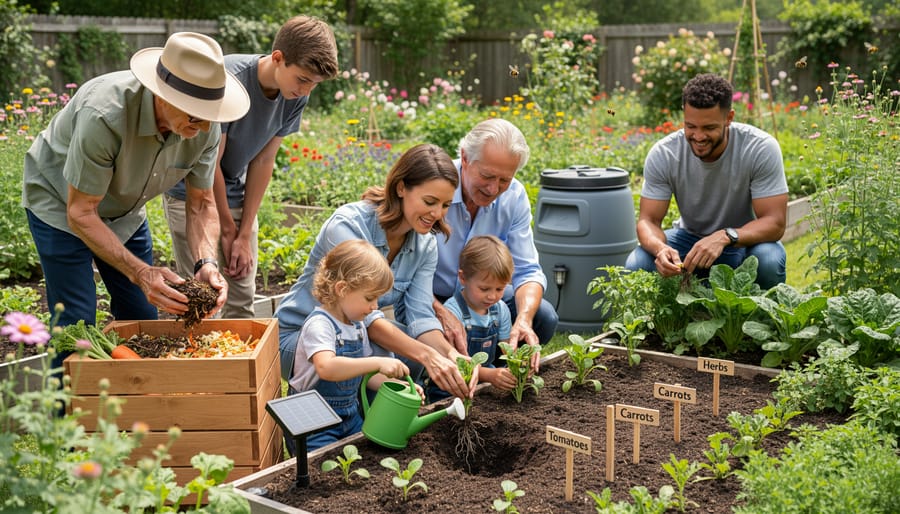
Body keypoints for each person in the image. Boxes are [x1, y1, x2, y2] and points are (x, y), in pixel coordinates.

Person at [22, 32, 250, 329]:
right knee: (76, 322)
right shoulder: (105, 115)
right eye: (196, 117)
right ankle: (70, 376)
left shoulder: (204, 127)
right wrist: (141, 273)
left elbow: (201, 204)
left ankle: (132, 375)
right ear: (162, 94)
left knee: (142, 315)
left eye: (210, 115)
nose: (206, 126)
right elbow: (80, 212)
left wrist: (205, 262)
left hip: (125, 211)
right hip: (61, 203)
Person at [164, 16, 339, 318]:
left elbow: (263, 160)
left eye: (315, 84)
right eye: (302, 79)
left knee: (242, 298)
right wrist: (227, 229)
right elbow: (210, 162)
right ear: (278, 58)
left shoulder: (294, 96)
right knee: (203, 302)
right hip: (192, 193)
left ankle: (240, 366)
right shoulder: (230, 80)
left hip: (233, 188)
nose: (307, 90)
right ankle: (204, 366)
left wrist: (243, 233)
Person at [275, 143, 473, 400]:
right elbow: (366, 322)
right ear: (401, 187)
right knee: (381, 354)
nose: (437, 214)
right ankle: (340, 426)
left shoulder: (424, 245)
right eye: (429, 201)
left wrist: (449, 355)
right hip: (301, 336)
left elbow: (420, 316)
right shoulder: (348, 225)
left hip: (351, 334)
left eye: (445, 205)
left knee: (408, 358)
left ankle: (372, 422)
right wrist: (427, 354)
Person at [624, 73, 788, 289]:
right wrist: (660, 249)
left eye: (709, 128)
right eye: (690, 126)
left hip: (744, 241)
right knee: (638, 264)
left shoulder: (759, 148)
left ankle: (760, 321)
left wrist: (725, 236)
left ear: (729, 118)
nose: (699, 136)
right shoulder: (665, 153)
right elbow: (648, 221)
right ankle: (663, 322)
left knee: (768, 260)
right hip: (688, 238)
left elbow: (775, 222)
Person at [432, 118, 557, 370]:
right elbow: (408, 276)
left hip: (483, 295)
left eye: (504, 180)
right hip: (430, 296)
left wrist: (523, 318)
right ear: (465, 158)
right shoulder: (434, 189)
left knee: (542, 316)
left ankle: (497, 377)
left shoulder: (515, 197)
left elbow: (528, 271)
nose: (493, 188)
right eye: (487, 176)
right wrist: (441, 312)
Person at [288, 239, 419, 453]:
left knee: (362, 462)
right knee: (325, 472)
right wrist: (377, 361)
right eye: (370, 298)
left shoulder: (356, 326)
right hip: (313, 423)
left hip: (348, 417)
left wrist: (399, 385)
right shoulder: (320, 325)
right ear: (341, 289)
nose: (375, 307)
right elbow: (326, 368)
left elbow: (365, 376)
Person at [427, 235, 517, 403]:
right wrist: (490, 375)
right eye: (484, 288)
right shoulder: (453, 312)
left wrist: (517, 365)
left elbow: (507, 350)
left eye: (499, 289)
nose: (492, 296)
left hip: (484, 381)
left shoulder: (501, 309)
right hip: (452, 384)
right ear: (463, 278)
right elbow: (455, 363)